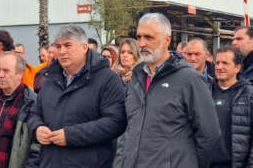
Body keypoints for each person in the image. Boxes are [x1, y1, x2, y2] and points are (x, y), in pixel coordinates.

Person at [120, 13, 221, 168]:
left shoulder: (188, 78)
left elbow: (210, 134)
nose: (141, 43)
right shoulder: (136, 76)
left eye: (149, 37)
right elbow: (130, 128)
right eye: (139, 37)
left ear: (167, 40)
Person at [28, 25, 127, 168]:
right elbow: (34, 113)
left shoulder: (107, 79)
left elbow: (115, 122)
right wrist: (37, 128)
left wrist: (70, 136)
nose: (62, 51)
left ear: (84, 47)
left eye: (68, 45)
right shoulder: (49, 79)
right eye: (58, 46)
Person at [211, 46, 253, 168]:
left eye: (225, 63)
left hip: (234, 164)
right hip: (205, 162)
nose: (219, 67)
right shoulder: (205, 90)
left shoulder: (249, 94)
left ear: (237, 68)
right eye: (217, 62)